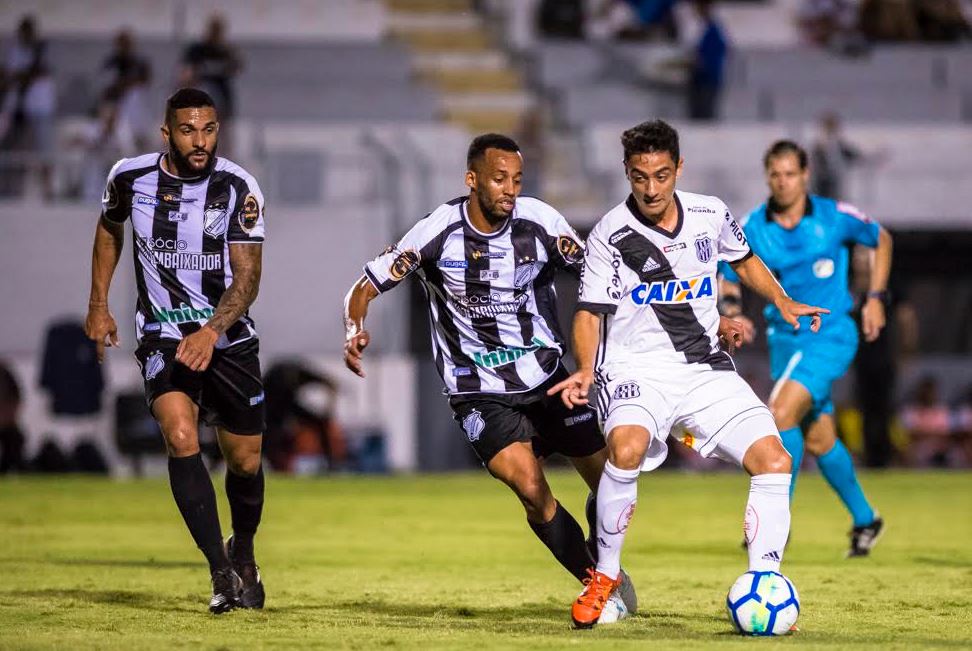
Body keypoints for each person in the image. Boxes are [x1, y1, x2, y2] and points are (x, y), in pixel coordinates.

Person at [343, 133, 653, 620]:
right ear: (472, 180)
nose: (510, 189)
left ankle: (605, 556)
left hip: (547, 379)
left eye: (516, 180)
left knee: (611, 478)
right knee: (531, 488)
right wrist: (354, 329)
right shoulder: (435, 232)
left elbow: (596, 269)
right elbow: (365, 285)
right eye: (499, 179)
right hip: (477, 394)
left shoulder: (541, 222)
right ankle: (598, 582)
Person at [548, 119, 828, 628]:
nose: (651, 189)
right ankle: (606, 579)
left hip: (703, 367)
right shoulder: (611, 234)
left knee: (775, 459)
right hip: (634, 369)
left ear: (679, 168)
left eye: (661, 175)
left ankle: (765, 581)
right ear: (626, 174)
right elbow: (588, 312)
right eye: (639, 177)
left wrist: (781, 300)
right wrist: (587, 369)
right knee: (626, 448)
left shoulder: (710, 213)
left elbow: (743, 262)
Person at [84, 88, 267, 613]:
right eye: (188, 130)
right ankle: (220, 575)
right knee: (181, 434)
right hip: (162, 334)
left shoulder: (238, 187)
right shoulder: (130, 177)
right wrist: (98, 303)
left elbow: (248, 278)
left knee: (246, 461)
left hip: (228, 339)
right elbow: (108, 227)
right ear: (167, 133)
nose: (200, 140)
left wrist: (211, 331)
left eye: (208, 129)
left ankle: (244, 551)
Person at [719, 139, 892, 557]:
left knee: (779, 414)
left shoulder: (833, 217)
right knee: (818, 439)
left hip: (831, 334)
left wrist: (875, 297)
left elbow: (880, 238)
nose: (782, 182)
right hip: (785, 341)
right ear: (767, 177)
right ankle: (866, 520)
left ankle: (775, 523)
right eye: (775, 175)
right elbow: (728, 273)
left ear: (805, 175)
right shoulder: (753, 226)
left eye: (790, 174)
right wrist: (734, 312)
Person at [1, 15, 56, 199]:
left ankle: (48, 190)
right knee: (16, 152)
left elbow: (36, 72)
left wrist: (18, 76)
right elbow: (9, 75)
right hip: (20, 108)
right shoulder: (15, 51)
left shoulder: (41, 49)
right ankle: (11, 189)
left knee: (44, 150)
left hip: (40, 107)